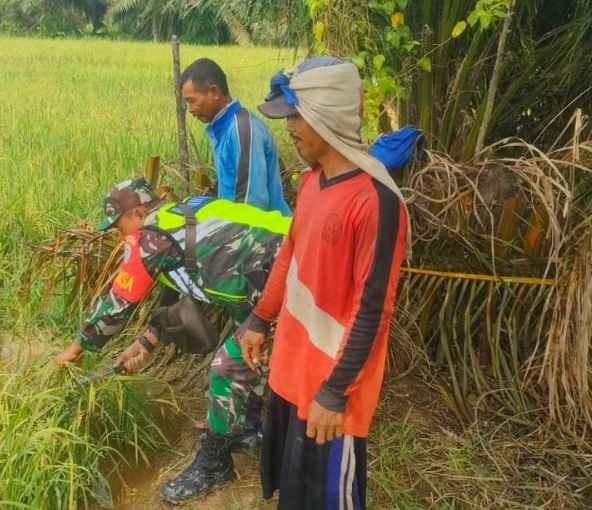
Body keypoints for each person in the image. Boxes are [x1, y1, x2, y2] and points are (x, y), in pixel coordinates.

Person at [236, 57, 410, 509]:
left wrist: (334, 392)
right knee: (295, 494)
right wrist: (259, 318)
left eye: (296, 115)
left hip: (333, 392)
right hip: (292, 371)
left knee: (329, 497)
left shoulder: (376, 201)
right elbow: (290, 257)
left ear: (325, 115)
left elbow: (373, 309)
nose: (289, 127)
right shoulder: (312, 183)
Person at [55, 177, 290, 503]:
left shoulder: (150, 239)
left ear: (137, 212)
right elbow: (180, 290)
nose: (118, 234)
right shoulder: (180, 217)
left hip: (293, 275)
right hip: (271, 277)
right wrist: (145, 345)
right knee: (247, 358)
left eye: (119, 225)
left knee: (226, 369)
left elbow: (115, 307)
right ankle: (247, 429)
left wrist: (73, 352)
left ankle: (214, 464)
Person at [180, 58, 291, 216]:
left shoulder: (241, 129)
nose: (190, 109)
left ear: (214, 92)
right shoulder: (221, 128)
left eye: (192, 101)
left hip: (265, 233)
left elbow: (252, 203)